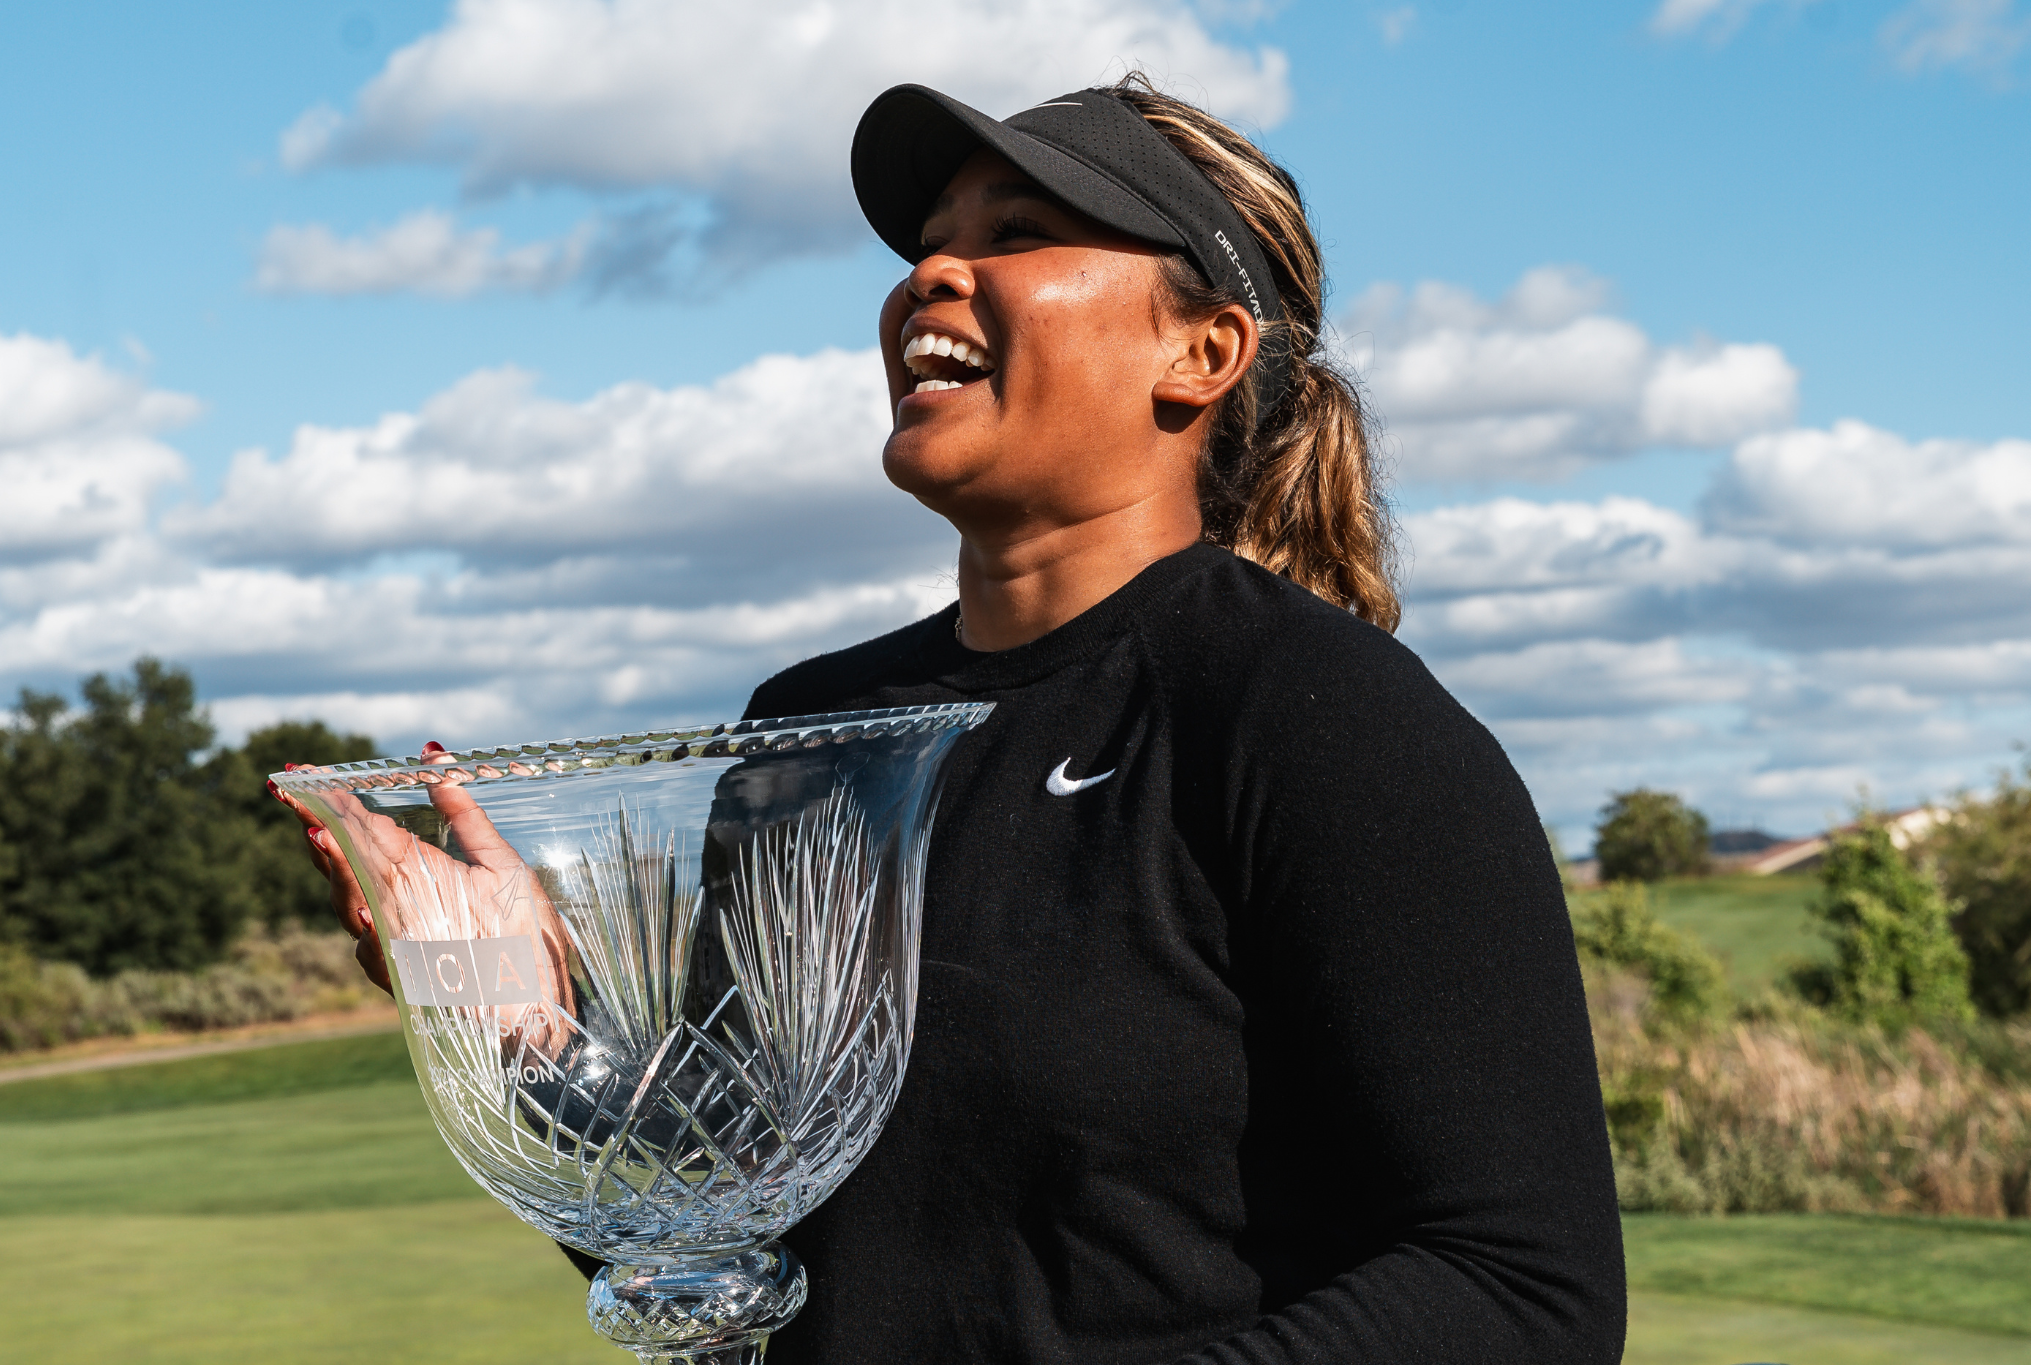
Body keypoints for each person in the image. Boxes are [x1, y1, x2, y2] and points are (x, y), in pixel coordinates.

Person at [289, 75, 1626, 1365]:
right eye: (929, 246)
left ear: (1202, 350)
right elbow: (727, 1236)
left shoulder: (1318, 717)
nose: (931, 275)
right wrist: (510, 1024)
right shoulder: (807, 738)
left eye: (1019, 234)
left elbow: (1519, 1288)